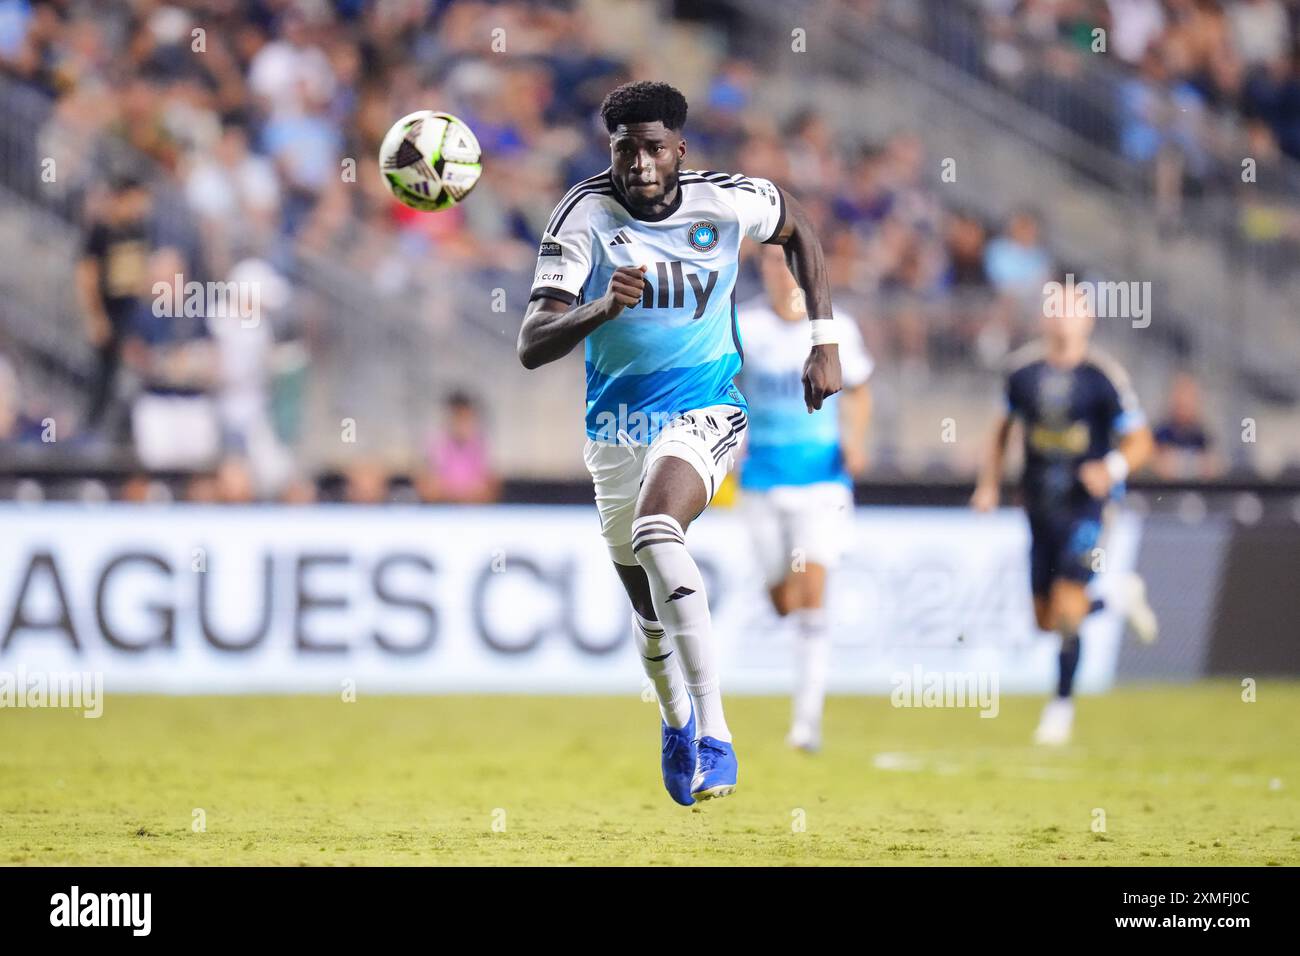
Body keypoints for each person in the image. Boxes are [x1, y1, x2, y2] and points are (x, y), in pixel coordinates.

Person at [517, 81, 842, 804]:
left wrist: (824, 339)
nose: (638, 163)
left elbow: (801, 233)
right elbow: (533, 344)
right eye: (624, 148)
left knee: (660, 527)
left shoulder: (727, 201)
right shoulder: (584, 215)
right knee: (645, 612)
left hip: (706, 409)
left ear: (680, 150)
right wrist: (601, 306)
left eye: (653, 147)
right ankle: (674, 721)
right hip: (616, 430)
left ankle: (715, 735)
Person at [971, 284, 1155, 746]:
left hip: (1087, 508)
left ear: (1088, 318)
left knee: (1069, 600)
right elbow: (999, 431)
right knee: (1045, 618)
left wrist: (1110, 467)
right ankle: (1114, 600)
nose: (1061, 318)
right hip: (1038, 507)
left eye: (1071, 309)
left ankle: (1060, 708)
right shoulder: (1022, 372)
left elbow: (1140, 441)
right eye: (1054, 309)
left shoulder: (1103, 377)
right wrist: (989, 484)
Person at [737, 243, 873, 752]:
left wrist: (855, 443)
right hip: (762, 480)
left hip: (822, 480)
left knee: (813, 592)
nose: (783, 273)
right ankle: (805, 710)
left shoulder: (835, 330)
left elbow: (858, 389)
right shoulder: (745, 328)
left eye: (791, 263)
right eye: (774, 262)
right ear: (765, 269)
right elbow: (718, 382)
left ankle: (806, 722)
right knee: (783, 602)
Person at [77, 174, 152, 435]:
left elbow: (138, 273)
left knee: (124, 376)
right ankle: (89, 433)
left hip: (128, 311)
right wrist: (96, 316)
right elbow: (88, 274)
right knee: (101, 376)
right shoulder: (101, 231)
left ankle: (114, 433)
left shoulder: (137, 230)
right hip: (107, 311)